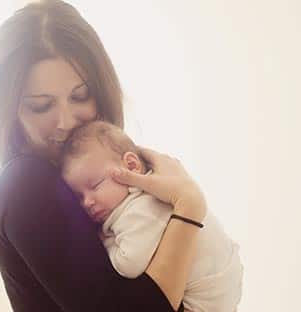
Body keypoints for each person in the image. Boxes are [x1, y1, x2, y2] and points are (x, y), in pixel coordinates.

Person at [0, 1, 206, 311]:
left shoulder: (91, 175)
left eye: (80, 96)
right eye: (41, 106)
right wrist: (189, 207)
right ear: (10, 111)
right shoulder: (25, 184)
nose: (66, 122)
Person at [60, 121, 243, 311]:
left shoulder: (139, 207)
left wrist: (106, 243)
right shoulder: (155, 193)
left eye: (95, 185)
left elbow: (130, 264)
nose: (87, 202)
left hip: (206, 300)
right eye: (79, 197)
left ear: (131, 165)